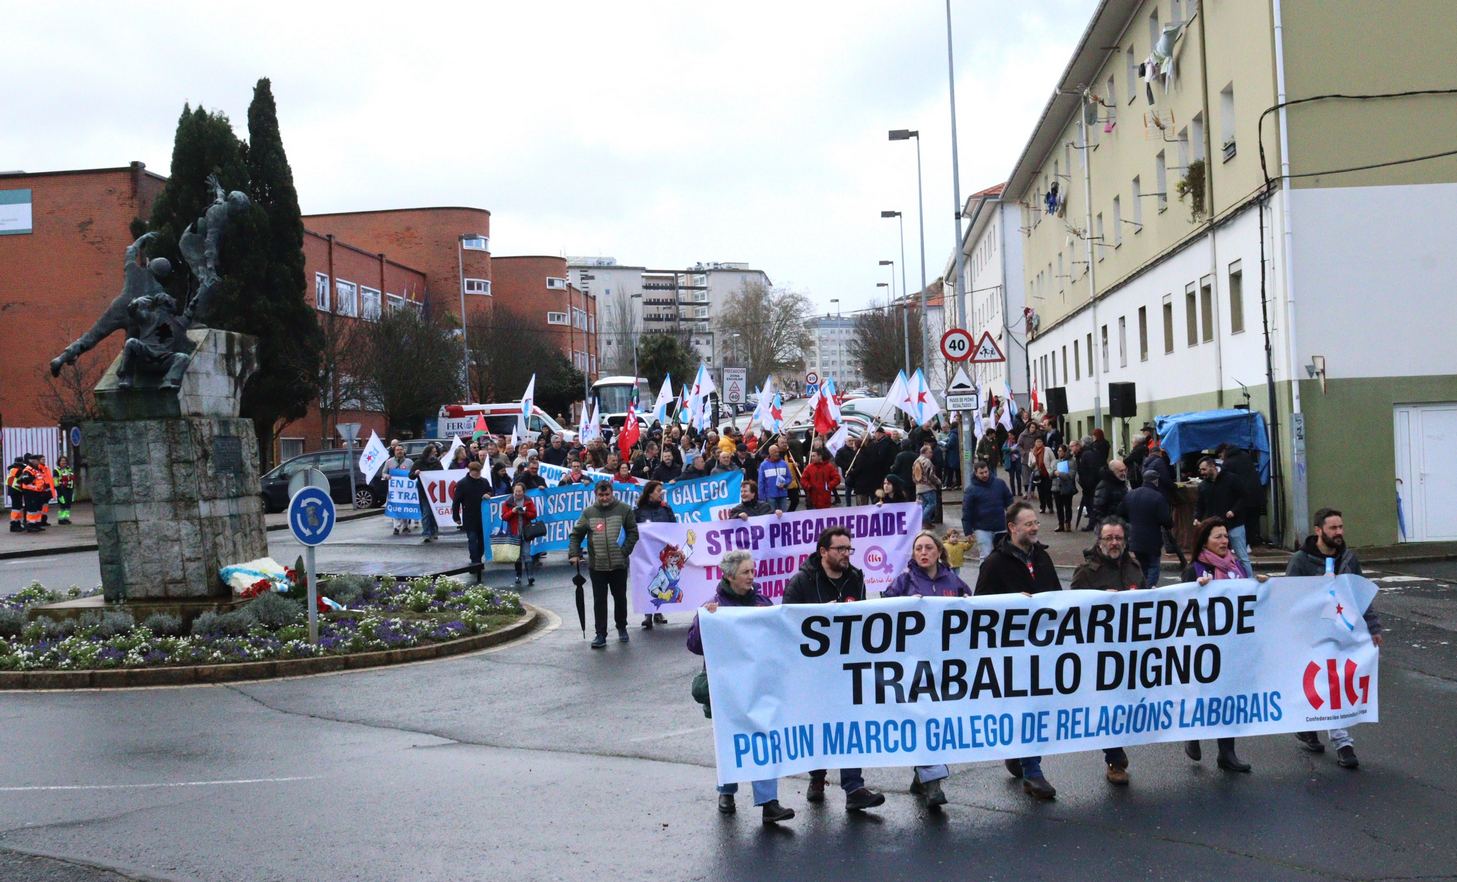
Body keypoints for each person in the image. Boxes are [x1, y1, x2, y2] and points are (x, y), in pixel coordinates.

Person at [686, 549, 795, 824]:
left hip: (759, 685)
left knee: (765, 738)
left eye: (752, 571)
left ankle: (769, 802)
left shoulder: (761, 602)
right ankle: (727, 791)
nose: (752, 576)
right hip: (728, 688)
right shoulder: (714, 606)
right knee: (730, 738)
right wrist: (706, 621)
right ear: (730, 575)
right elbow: (694, 645)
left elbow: (780, 637)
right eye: (746, 572)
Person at [782, 526, 886, 812]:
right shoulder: (802, 582)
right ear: (823, 552)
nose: (846, 554)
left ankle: (854, 788)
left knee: (850, 724)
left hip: (847, 666)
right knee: (820, 725)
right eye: (840, 549)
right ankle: (817, 777)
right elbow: (786, 621)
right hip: (813, 669)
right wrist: (819, 616)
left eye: (848, 549)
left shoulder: (856, 578)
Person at [975, 501, 1062, 799]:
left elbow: (1058, 599)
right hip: (1010, 652)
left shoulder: (1043, 558)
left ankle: (1021, 756)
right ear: (1013, 528)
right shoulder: (994, 564)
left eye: (1037, 522)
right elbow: (979, 607)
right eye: (1029, 524)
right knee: (1024, 708)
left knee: (1036, 708)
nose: (1035, 527)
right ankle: (1033, 772)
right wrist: (1012, 602)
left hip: (1042, 649)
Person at [1284, 507, 1383, 768]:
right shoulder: (1301, 561)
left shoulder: (1349, 559)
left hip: (1342, 632)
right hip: (1311, 634)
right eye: (1333, 528)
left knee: (1336, 683)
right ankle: (1307, 725)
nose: (1339, 533)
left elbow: (1360, 596)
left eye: (1341, 527)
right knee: (1315, 685)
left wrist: (1373, 628)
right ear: (1318, 531)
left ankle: (1343, 743)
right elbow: (1289, 600)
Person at [881, 530, 972, 807]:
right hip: (913, 667)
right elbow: (882, 613)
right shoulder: (904, 582)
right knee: (923, 718)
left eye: (928, 548)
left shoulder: (953, 581)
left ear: (938, 552)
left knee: (939, 719)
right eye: (918, 548)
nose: (923, 553)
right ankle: (933, 784)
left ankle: (923, 776)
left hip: (945, 665)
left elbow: (974, 611)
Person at [1179, 517, 1267, 773]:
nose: (1224, 541)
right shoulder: (1194, 569)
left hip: (1233, 647)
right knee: (1205, 696)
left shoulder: (1236, 567)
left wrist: (1259, 586)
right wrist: (1196, 590)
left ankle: (1226, 753)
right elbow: (1180, 609)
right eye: (1218, 536)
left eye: (1226, 536)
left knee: (1229, 697)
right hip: (1204, 648)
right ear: (1205, 540)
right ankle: (1193, 734)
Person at [569, 481, 639, 649]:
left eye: (607, 494)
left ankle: (622, 627)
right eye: (601, 495)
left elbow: (633, 532)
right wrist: (574, 554)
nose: (604, 498)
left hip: (618, 564)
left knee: (620, 598)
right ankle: (600, 634)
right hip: (597, 565)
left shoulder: (624, 509)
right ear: (596, 495)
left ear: (612, 492)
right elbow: (576, 534)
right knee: (599, 601)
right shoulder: (589, 512)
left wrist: (624, 552)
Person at [1195, 456, 1251, 573]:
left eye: (1204, 469)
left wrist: (1234, 511)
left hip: (1234, 524)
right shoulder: (1203, 486)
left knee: (1242, 557)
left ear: (1212, 467)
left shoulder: (1231, 479)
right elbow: (1200, 505)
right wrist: (1197, 517)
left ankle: (1249, 584)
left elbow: (1244, 497)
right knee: (1215, 557)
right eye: (1200, 470)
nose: (1201, 473)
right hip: (1215, 528)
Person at [1120, 469, 1173, 588]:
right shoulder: (1158, 497)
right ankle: (1149, 591)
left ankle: (1144, 589)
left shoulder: (1131, 494)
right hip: (1152, 538)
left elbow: (1121, 512)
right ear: (1155, 481)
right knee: (1154, 566)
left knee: (1143, 566)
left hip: (1134, 537)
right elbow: (1166, 520)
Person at [635, 480, 675, 629]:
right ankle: (648, 614)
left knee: (661, 581)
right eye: (659, 490)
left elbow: (674, 526)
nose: (661, 493)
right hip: (646, 552)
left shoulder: (665, 509)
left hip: (662, 552)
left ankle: (658, 611)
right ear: (650, 493)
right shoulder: (639, 511)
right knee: (647, 580)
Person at [961, 459, 1013, 564]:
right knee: (986, 557)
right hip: (982, 529)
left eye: (986, 472)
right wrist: (968, 531)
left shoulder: (999, 483)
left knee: (1004, 556)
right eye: (981, 473)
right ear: (975, 473)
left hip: (1000, 526)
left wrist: (1014, 520)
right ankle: (985, 579)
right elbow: (967, 511)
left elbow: (1009, 502)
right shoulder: (971, 490)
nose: (985, 475)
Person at [451, 461, 491, 583]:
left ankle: (478, 558)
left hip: (482, 516)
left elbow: (490, 491)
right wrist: (456, 516)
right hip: (469, 517)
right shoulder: (462, 484)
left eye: (479, 472)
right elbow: (456, 501)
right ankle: (475, 562)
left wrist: (488, 494)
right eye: (476, 472)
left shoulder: (484, 481)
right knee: (472, 540)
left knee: (482, 542)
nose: (478, 474)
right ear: (471, 471)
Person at [500, 482, 539, 587]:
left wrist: (524, 513)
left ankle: (530, 576)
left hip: (526, 532)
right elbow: (504, 517)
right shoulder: (508, 502)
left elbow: (534, 514)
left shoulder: (528, 501)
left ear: (523, 491)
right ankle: (518, 575)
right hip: (514, 532)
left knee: (526, 553)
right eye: (516, 491)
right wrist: (512, 511)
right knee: (517, 556)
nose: (517, 493)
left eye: (519, 491)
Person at [410, 444, 443, 543]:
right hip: (424, 491)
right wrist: (415, 473)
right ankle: (426, 533)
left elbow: (442, 473)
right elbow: (410, 475)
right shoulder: (418, 462)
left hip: (435, 492)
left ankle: (434, 531)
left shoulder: (436, 462)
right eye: (434, 451)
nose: (436, 453)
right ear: (429, 452)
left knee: (433, 513)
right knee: (426, 512)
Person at [1090, 459, 1130, 526]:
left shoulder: (1121, 483)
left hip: (1122, 523)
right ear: (1112, 471)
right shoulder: (1104, 486)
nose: (1124, 473)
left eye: (1125, 470)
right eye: (1121, 471)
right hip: (1112, 525)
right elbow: (1098, 510)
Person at [911, 443, 941, 528]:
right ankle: (922, 520)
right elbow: (931, 475)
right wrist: (938, 482)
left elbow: (913, 475)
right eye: (930, 452)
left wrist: (917, 483)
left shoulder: (916, 461)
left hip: (918, 486)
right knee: (932, 504)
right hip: (928, 487)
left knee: (924, 505)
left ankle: (927, 523)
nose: (932, 454)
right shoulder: (927, 461)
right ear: (925, 452)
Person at [17, 454, 49, 533]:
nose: (39, 462)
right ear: (32, 461)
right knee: (31, 509)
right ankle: (31, 524)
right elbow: (26, 482)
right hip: (30, 492)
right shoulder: (28, 470)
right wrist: (35, 487)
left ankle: (36, 523)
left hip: (37, 492)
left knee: (37, 509)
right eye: (37, 460)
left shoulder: (35, 469)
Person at [757, 445, 791, 512]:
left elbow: (789, 477)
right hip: (770, 496)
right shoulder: (763, 465)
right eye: (774, 452)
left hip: (783, 495)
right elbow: (761, 482)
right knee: (771, 517)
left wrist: (784, 483)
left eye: (777, 452)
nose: (777, 454)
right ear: (770, 453)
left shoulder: (784, 464)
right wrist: (762, 498)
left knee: (784, 516)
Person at [1052, 443, 1078, 532]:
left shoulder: (1071, 462)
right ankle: (1060, 524)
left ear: (1065, 452)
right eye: (1058, 451)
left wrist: (1060, 474)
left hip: (1066, 488)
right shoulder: (1056, 461)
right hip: (1056, 487)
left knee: (1067, 506)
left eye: (1060, 451)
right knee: (1059, 508)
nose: (1058, 453)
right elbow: (1051, 473)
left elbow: (1071, 475)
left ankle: (1068, 523)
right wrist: (1053, 473)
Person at [1028, 438, 1054, 514]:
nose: (1039, 443)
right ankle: (1042, 507)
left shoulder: (1047, 450)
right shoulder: (1032, 452)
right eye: (1037, 441)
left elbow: (1053, 460)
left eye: (1040, 441)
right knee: (1040, 492)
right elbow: (1029, 464)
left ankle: (1050, 507)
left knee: (1048, 491)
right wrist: (1033, 464)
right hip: (1038, 475)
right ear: (1035, 443)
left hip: (1047, 473)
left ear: (1042, 442)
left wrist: (1051, 469)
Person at [52, 456, 75, 525]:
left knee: (68, 505)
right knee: (63, 505)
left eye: (65, 461)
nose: (63, 462)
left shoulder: (69, 469)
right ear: (59, 462)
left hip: (69, 489)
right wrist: (58, 490)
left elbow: (72, 478)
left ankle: (66, 518)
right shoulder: (56, 470)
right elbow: (55, 481)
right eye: (62, 461)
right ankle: (61, 519)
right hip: (61, 490)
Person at [6, 456, 25, 533]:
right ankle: (14, 524)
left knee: (18, 508)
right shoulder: (15, 469)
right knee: (16, 508)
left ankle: (17, 523)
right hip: (15, 490)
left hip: (15, 490)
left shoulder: (13, 468)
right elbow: (18, 475)